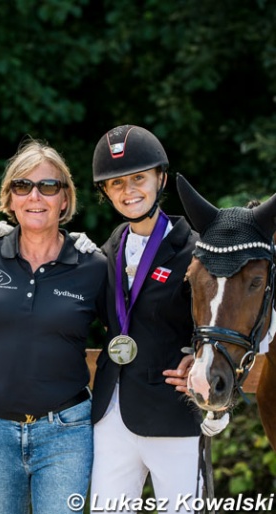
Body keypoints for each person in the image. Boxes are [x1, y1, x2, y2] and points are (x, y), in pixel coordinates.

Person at [0, 139, 108, 514]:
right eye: (23, 186)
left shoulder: (93, 265)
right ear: (10, 199)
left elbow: (127, 334)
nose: (35, 196)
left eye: (48, 186)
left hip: (66, 433)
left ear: (64, 199)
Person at [89, 124, 227, 513]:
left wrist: (201, 357)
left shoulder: (197, 249)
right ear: (105, 192)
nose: (128, 190)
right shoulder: (108, 248)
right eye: (116, 184)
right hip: (112, 413)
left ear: (160, 178)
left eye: (138, 179)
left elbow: (224, 321)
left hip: (173, 411)